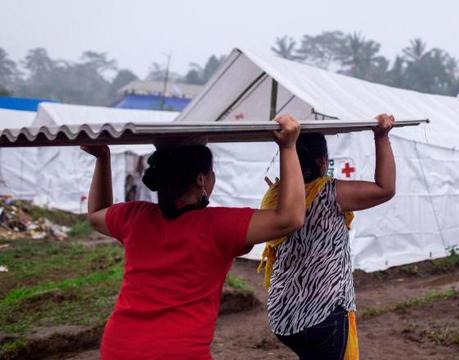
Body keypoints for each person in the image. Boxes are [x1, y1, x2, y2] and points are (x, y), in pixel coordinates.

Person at [82, 115, 305, 360]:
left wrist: (103, 158)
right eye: (211, 174)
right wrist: (288, 147)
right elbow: (290, 218)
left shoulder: (134, 217)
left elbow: (95, 215)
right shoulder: (218, 226)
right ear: (201, 179)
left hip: (118, 347)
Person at [259, 114, 396, 360]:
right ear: (323, 161)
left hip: (283, 316)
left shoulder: (275, 196)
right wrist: (382, 136)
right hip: (323, 315)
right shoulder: (330, 193)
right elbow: (385, 188)